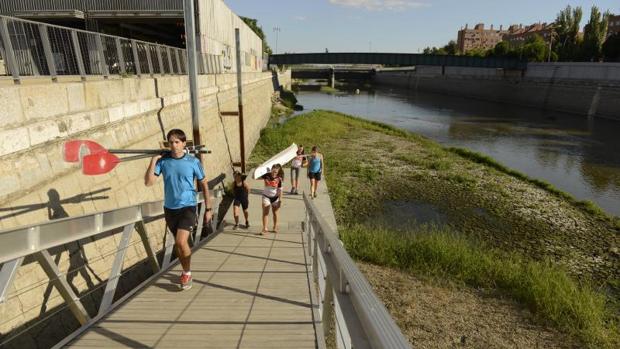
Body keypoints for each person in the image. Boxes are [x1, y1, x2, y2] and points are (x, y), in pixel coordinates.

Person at [144, 129, 212, 290]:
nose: (174, 145)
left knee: (181, 242)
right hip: (170, 209)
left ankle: (187, 273)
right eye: (171, 142)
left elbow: (204, 184)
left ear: (183, 143)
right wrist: (153, 161)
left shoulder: (193, 162)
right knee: (179, 245)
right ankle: (185, 270)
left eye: (177, 142)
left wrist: (208, 208)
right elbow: (148, 182)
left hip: (188, 206)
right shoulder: (163, 162)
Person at [261, 164, 284, 235]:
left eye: (276, 172)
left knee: (275, 213)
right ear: (271, 170)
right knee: (266, 212)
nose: (274, 173)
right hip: (266, 196)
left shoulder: (279, 179)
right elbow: (254, 177)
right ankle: (265, 228)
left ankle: (275, 226)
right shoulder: (266, 175)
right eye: (273, 171)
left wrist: (280, 200)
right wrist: (259, 170)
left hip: (275, 198)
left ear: (278, 172)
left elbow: (280, 190)